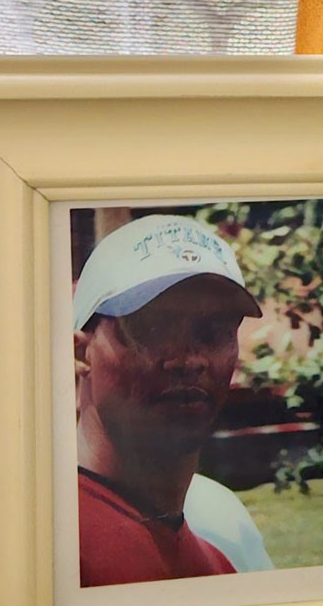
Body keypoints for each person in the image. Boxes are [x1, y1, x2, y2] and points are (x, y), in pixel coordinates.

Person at [72, 213, 265, 586]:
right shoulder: (41, 543)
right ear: (82, 352)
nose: (189, 360)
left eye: (212, 331)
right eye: (153, 329)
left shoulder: (218, 562)